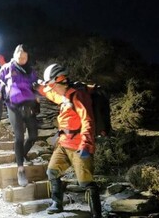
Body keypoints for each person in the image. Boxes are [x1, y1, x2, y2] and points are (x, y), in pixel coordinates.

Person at [34, 63, 102, 216]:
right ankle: (57, 203)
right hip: (64, 145)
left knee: (86, 182)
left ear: (61, 80)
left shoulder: (78, 96)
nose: (51, 88)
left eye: (52, 85)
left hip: (79, 146)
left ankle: (97, 213)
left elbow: (88, 121)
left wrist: (86, 144)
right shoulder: (63, 95)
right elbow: (51, 94)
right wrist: (39, 88)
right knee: (52, 171)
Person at [0, 44, 39, 187]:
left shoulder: (31, 71)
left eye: (24, 57)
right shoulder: (7, 67)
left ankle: (21, 155)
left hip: (29, 106)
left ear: (27, 57)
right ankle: (20, 169)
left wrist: (38, 93)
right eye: (19, 56)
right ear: (15, 55)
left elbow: (36, 85)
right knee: (19, 136)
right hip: (13, 106)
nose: (22, 59)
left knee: (33, 136)